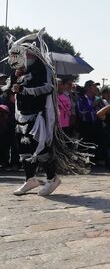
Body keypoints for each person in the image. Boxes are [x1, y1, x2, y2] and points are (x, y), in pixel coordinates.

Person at [3, 29, 90, 196]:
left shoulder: (41, 68)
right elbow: (10, 90)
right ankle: (30, 179)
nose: (21, 57)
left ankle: (52, 178)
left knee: (40, 149)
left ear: (32, 54)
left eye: (25, 54)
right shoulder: (22, 70)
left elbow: (48, 88)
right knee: (23, 150)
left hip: (37, 117)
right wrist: (16, 78)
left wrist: (24, 89)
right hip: (21, 115)